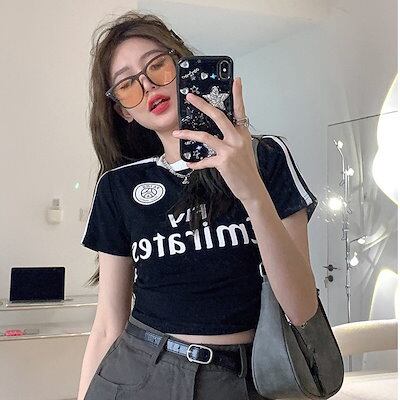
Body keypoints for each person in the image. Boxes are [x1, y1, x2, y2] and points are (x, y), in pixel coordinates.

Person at [77, 10, 319, 400]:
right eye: (126, 85)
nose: (147, 85)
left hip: (245, 378)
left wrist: (251, 191)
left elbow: (302, 309)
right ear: (123, 111)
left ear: (184, 67)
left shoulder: (267, 158)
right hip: (142, 372)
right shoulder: (118, 187)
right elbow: (107, 324)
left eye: (157, 65)